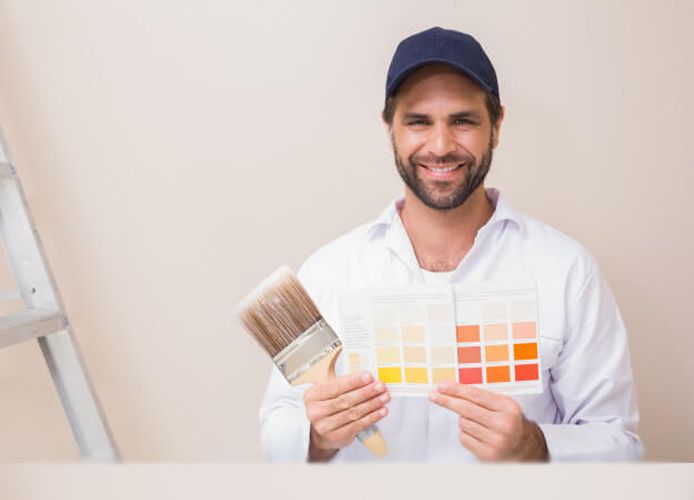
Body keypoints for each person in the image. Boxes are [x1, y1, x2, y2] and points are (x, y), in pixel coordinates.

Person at [259, 26, 642, 462]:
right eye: (418, 122)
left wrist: (535, 445)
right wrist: (316, 436)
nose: (440, 146)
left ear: (496, 126)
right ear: (390, 128)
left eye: (463, 121)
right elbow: (277, 427)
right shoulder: (327, 272)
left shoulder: (567, 271)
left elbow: (619, 445)